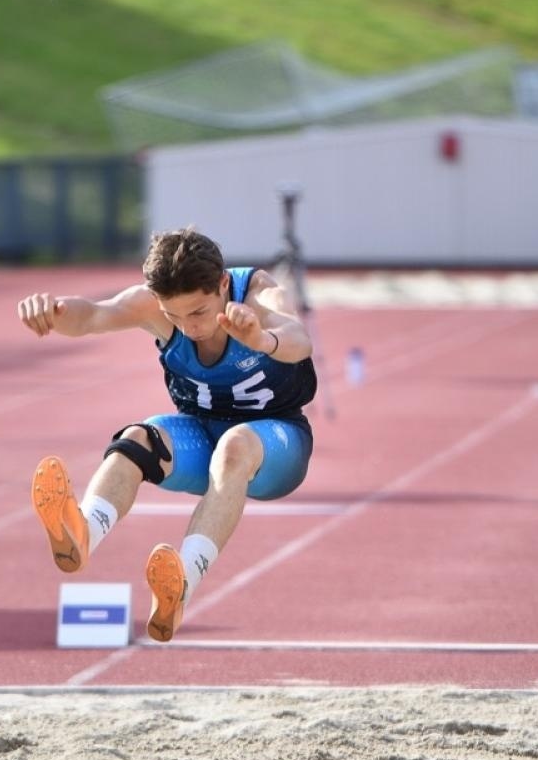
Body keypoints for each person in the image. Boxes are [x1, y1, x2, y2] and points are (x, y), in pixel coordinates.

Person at [18, 227, 318, 642]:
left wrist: (261, 338)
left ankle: (186, 578)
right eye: (174, 316)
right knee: (136, 440)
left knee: (235, 446)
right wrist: (51, 311)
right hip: (201, 432)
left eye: (198, 312)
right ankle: (83, 531)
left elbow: (300, 341)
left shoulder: (258, 293)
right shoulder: (152, 305)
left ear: (223, 285)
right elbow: (90, 315)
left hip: (276, 442)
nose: (188, 327)